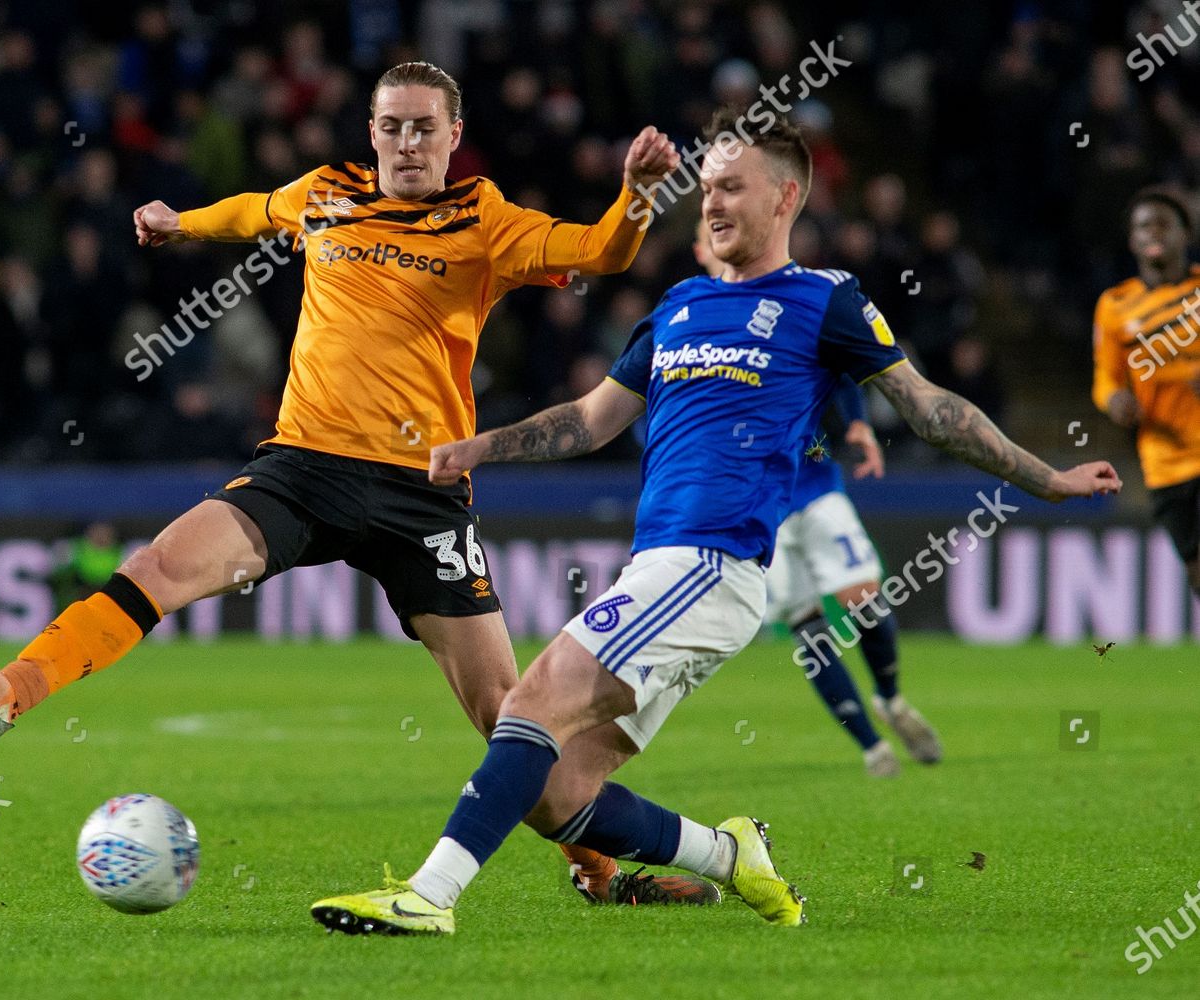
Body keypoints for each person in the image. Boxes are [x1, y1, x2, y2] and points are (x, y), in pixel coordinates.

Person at [0, 60, 696, 905]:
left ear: (455, 136)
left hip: (420, 494)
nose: (406, 142)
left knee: (512, 726)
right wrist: (183, 222)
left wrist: (635, 195)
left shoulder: (484, 218)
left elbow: (599, 250)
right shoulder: (327, 192)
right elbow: (255, 210)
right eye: (391, 125)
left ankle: (600, 871)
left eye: (425, 127)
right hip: (304, 467)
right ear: (371, 131)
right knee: (156, 570)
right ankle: (4, 695)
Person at [311, 108, 1121, 935]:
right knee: (555, 794)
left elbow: (931, 411)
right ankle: (731, 855)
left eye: (732, 187)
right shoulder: (679, 305)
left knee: (529, 707)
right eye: (705, 191)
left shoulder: (825, 300)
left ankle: (430, 896)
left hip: (710, 562)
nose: (713, 204)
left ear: (786, 198)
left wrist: (1042, 476)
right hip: (660, 569)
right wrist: (483, 446)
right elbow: (592, 419)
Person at [701, 223, 942, 779]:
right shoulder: (705, 326)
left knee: (862, 597)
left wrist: (857, 426)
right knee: (806, 624)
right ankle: (870, 745)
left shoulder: (797, 312)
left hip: (813, 486)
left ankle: (890, 698)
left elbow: (837, 372)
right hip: (760, 510)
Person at [1093, 187, 1200, 597]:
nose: (1153, 232)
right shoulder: (1115, 304)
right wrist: (1114, 400)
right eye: (1143, 225)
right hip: (1164, 459)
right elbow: (1105, 377)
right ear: (1131, 239)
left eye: (1163, 224)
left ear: (1184, 234)